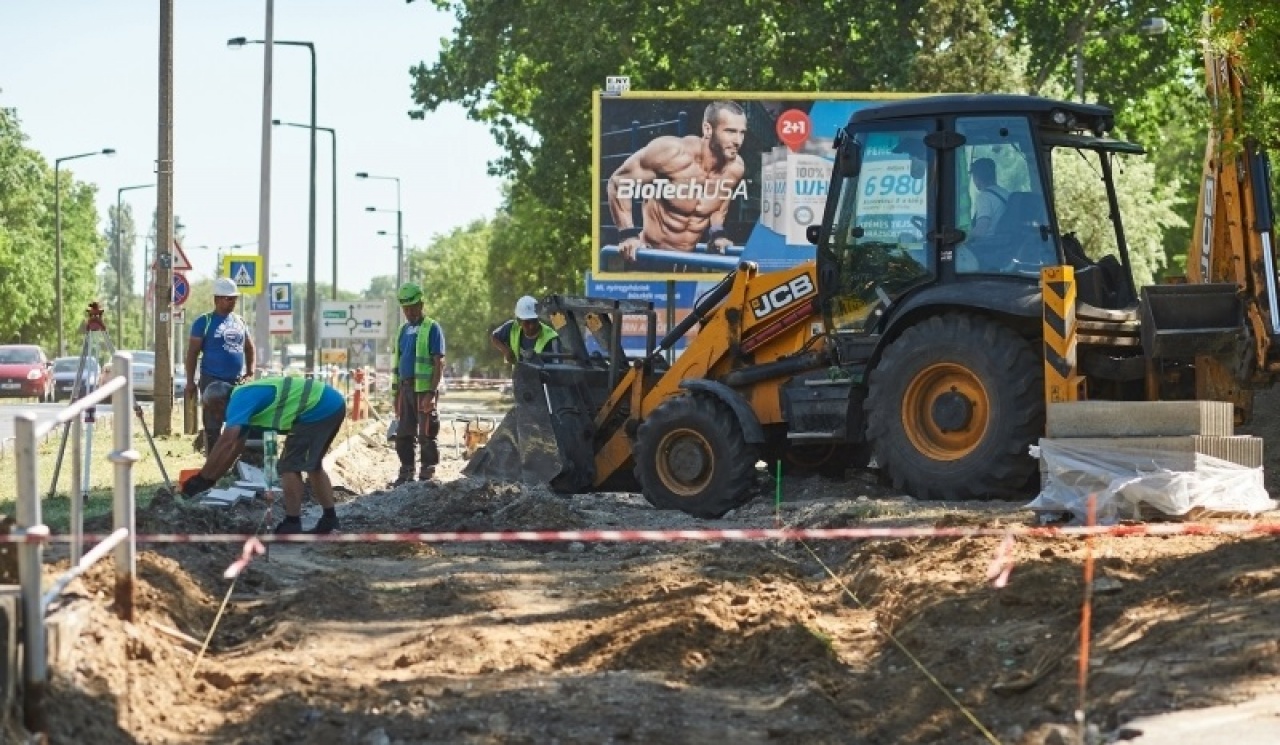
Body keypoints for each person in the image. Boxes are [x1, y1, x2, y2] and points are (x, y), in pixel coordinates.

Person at [179, 378, 346, 534]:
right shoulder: (245, 399)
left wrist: (200, 478)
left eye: (213, 411)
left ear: (220, 403)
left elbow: (226, 441)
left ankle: (292, 523)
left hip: (317, 409)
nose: (216, 417)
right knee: (313, 466)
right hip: (330, 404)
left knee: (289, 466)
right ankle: (330, 519)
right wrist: (210, 480)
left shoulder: (238, 400)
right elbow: (235, 448)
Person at [607, 100, 749, 263]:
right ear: (708, 129)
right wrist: (627, 235)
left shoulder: (735, 168)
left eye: (742, 133)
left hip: (688, 261)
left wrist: (717, 234)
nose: (738, 141)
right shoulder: (672, 153)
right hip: (649, 257)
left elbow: (720, 202)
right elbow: (618, 182)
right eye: (730, 131)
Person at [185, 276, 255, 453]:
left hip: (235, 382)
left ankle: (232, 458)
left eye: (234, 298)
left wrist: (250, 372)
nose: (232, 302)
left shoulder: (239, 321)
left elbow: (249, 348)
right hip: (211, 380)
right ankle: (212, 458)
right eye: (228, 298)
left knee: (237, 421)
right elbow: (192, 353)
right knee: (212, 423)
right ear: (217, 299)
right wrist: (190, 381)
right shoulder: (204, 322)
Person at [391, 282, 446, 485]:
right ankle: (406, 471)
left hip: (424, 390)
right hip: (405, 388)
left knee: (427, 432)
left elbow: (439, 362)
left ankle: (427, 471)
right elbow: (397, 363)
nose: (409, 312)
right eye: (406, 308)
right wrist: (396, 394)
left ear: (421, 304)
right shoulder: (402, 331)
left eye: (413, 307)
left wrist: (431, 392)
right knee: (403, 433)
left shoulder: (432, 328)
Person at [489, 295, 561, 364]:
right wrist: (506, 351)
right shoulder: (511, 327)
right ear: (519, 321)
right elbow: (494, 337)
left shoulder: (551, 338)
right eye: (527, 322)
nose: (531, 326)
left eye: (534, 321)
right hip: (518, 372)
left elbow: (558, 367)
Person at [969, 158, 1010, 238]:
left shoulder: (984, 197)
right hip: (1004, 241)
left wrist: (963, 236)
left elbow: (981, 230)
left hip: (989, 243)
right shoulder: (1005, 193)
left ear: (976, 178)